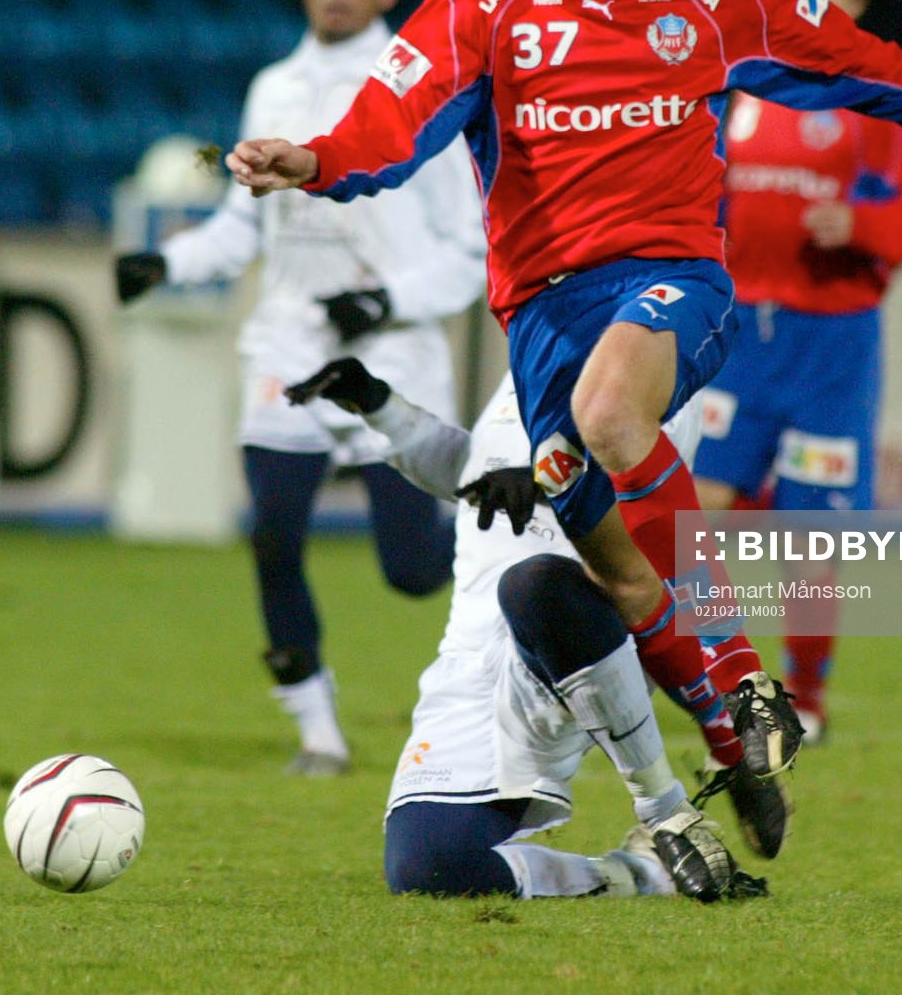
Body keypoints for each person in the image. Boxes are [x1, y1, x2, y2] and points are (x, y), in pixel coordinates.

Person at [226, 0, 902, 813]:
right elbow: (389, 125)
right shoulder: (483, 0)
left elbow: (850, 60)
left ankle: (749, 678)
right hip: (541, 323)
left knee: (611, 415)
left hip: (675, 287)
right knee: (619, 572)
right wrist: (313, 159)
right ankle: (732, 733)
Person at [115, 0, 487, 776]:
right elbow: (245, 222)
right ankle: (318, 731)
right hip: (289, 342)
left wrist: (386, 298)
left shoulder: (421, 88)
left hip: (388, 356)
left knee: (412, 572)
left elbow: (468, 248)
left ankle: (523, 588)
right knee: (272, 537)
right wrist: (162, 262)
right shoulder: (273, 87)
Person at [285, 356, 773, 901]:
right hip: (470, 653)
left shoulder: (648, 343)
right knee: (429, 867)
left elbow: (652, 512)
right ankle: (642, 873)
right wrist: (379, 405)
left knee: (533, 585)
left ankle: (667, 810)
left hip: (576, 634)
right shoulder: (533, 338)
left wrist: (554, 485)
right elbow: (472, 477)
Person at [692, 0, 902, 742]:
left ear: (857, 4)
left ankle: (805, 699)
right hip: (738, 341)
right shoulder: (739, 87)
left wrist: (863, 224)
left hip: (830, 350)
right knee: (693, 515)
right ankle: (705, 676)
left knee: (808, 540)